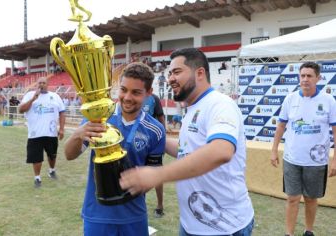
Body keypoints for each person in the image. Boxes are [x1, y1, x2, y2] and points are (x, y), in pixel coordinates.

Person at [120, 48, 254, 236]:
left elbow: (221, 151)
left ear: (200, 73)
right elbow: (187, 150)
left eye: (176, 72)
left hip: (223, 227)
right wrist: (153, 136)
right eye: (169, 73)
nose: (170, 79)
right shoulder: (192, 108)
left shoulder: (220, 104)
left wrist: (158, 174)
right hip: (192, 224)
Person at [64, 62, 166, 236]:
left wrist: (133, 185)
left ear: (149, 94)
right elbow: (69, 155)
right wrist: (78, 134)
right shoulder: (98, 117)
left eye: (136, 92)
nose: (127, 97)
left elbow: (154, 172)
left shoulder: (155, 129)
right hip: (98, 214)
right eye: (123, 89)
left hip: (134, 215)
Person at [270, 62, 336, 236]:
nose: (305, 79)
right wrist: (274, 150)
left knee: (310, 199)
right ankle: (289, 233)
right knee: (292, 199)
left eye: (309, 76)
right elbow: (280, 126)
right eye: (302, 76)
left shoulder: (329, 101)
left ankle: (309, 231)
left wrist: (335, 159)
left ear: (318, 78)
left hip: (316, 161)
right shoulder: (290, 99)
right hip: (292, 159)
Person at [19, 77, 66, 188]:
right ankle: (37, 178)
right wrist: (33, 99)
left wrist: (62, 129)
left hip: (51, 133)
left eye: (44, 83)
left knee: (52, 155)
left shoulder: (55, 97)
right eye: (39, 83)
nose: (41, 85)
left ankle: (51, 171)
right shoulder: (30, 95)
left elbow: (62, 113)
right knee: (36, 158)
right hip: (35, 134)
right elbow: (21, 110)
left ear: (47, 84)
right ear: (36, 84)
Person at [142, 93, 165, 218]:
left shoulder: (153, 99)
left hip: (153, 142)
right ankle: (139, 203)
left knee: (157, 175)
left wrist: (162, 138)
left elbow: (161, 118)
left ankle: (160, 205)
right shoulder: (132, 96)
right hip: (138, 142)